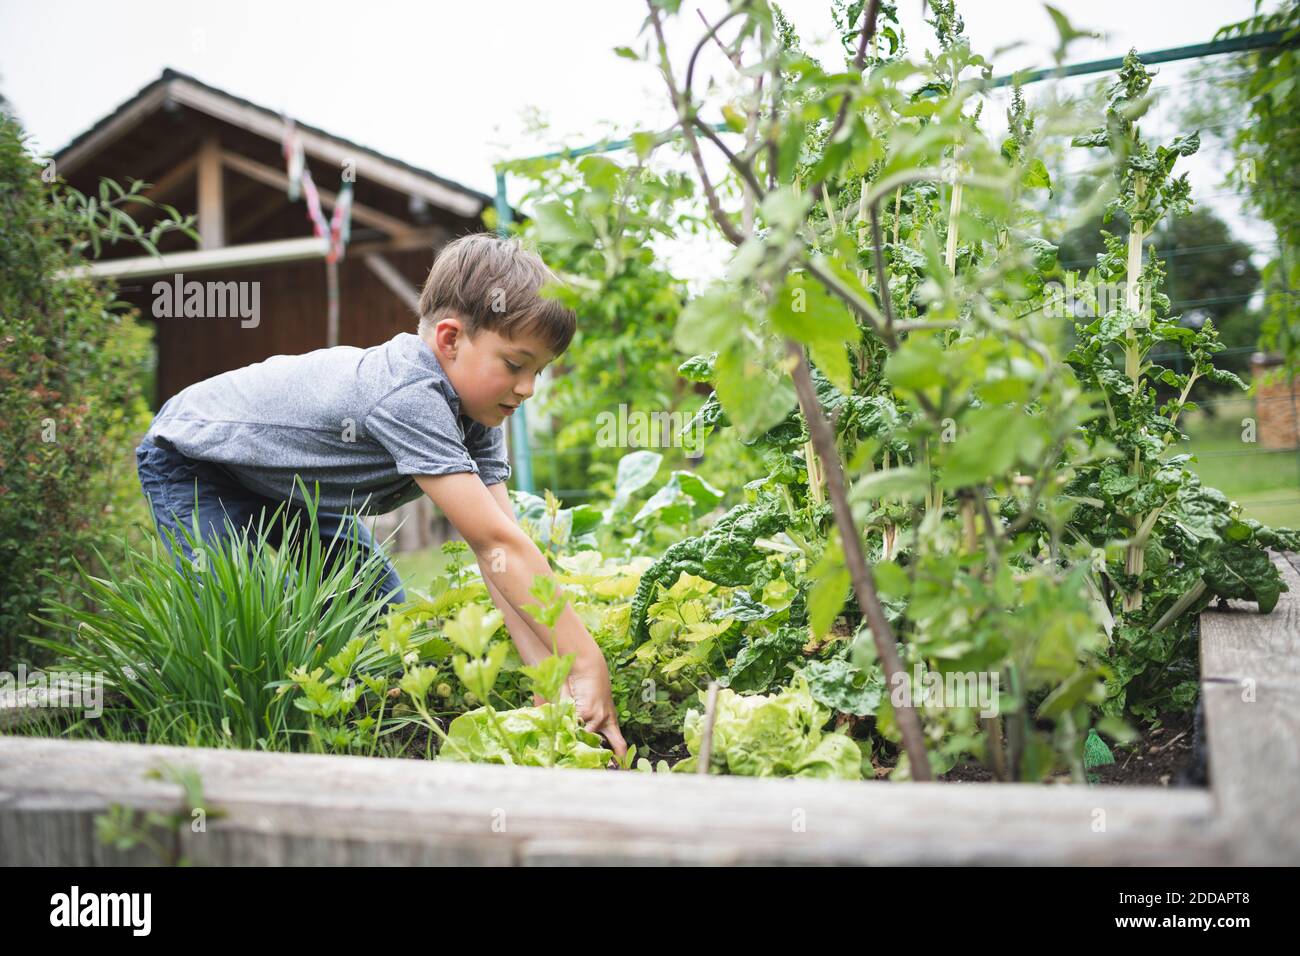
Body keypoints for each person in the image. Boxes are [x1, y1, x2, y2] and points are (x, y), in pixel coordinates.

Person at [134, 232, 626, 758]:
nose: (528, 388)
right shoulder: (407, 392)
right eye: (515, 364)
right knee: (240, 620)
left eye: (539, 371)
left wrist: (551, 680)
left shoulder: (478, 409)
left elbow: (502, 554)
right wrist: (583, 660)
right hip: (195, 459)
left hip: (292, 489)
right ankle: (232, 750)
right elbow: (491, 542)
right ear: (450, 339)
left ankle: (356, 740)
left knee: (380, 610)